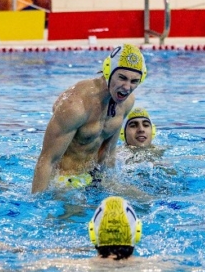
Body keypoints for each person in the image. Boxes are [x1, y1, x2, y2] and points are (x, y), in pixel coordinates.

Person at [32, 44, 146, 193]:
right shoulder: (76, 106)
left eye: (134, 81)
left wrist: (110, 184)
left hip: (95, 177)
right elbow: (47, 160)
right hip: (65, 181)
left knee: (145, 200)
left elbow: (109, 153)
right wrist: (37, 202)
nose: (127, 87)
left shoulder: (127, 102)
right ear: (108, 72)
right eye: (122, 78)